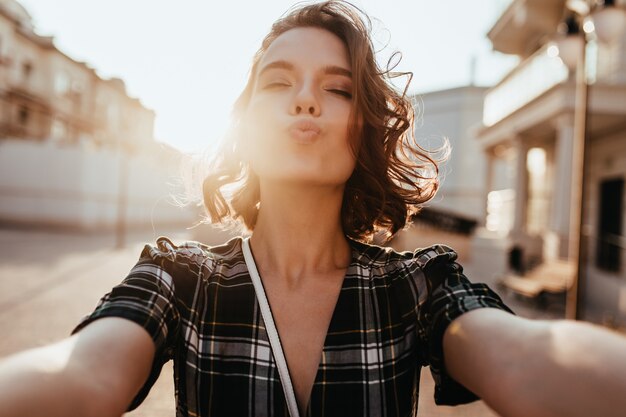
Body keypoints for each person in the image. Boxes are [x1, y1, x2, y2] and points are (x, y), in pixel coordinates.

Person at [1, 1, 626, 416]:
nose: (305, 100)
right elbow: (80, 373)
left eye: (338, 87)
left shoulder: (419, 284)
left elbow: (525, 357)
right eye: (278, 82)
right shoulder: (180, 279)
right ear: (244, 121)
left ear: (364, 128)